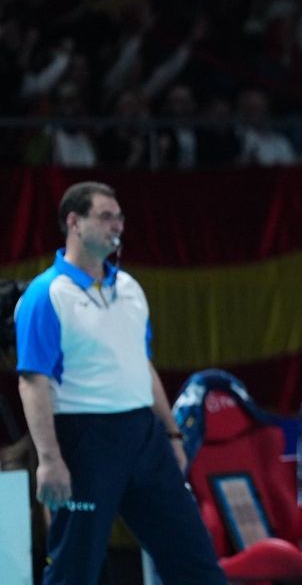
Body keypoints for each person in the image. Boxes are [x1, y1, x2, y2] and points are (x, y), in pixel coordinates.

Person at [13, 181, 225, 584]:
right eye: (106, 216)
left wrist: (171, 433)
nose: (117, 226)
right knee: (73, 569)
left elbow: (142, 365)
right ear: (74, 222)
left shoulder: (129, 288)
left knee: (195, 560)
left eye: (120, 217)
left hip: (145, 437)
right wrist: (50, 459)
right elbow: (32, 382)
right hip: (83, 438)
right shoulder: (46, 294)